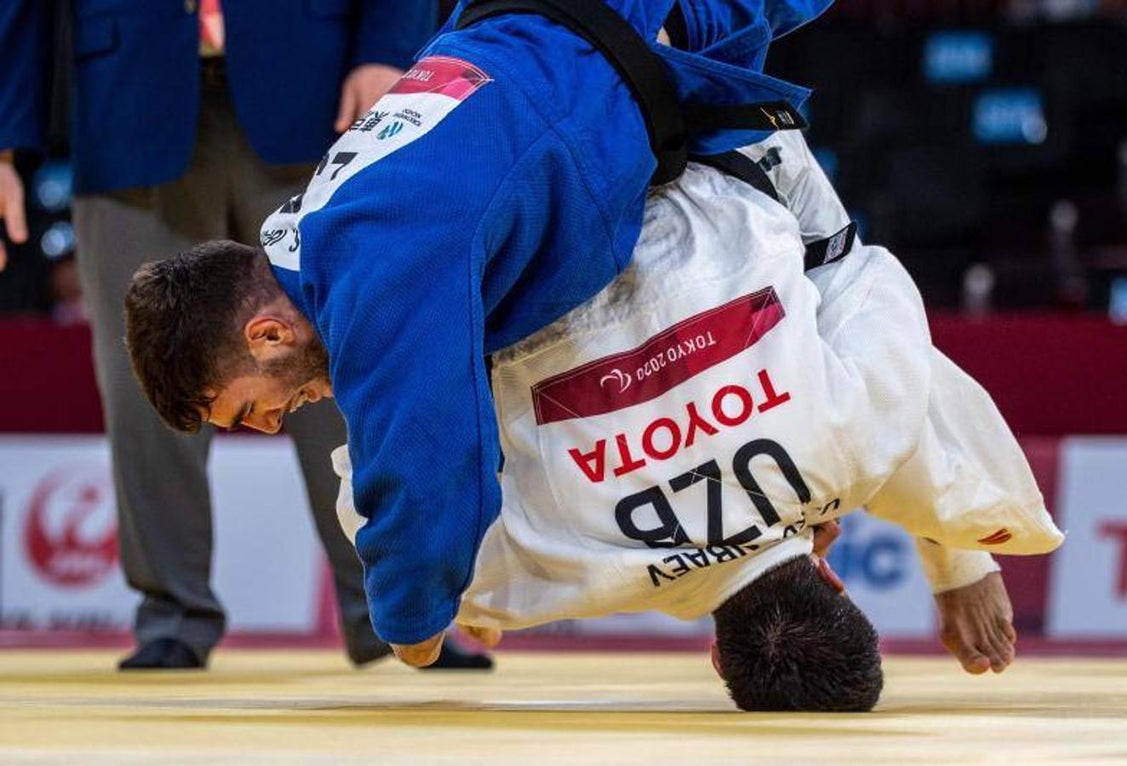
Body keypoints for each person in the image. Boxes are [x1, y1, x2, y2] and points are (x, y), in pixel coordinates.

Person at [116, 0, 840, 665]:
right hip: (582, 37)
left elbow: (424, 466)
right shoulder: (317, 233)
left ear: (268, 334)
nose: (273, 425)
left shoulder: (370, 267)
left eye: (248, 409)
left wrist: (414, 627)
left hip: (613, 34)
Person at [331, 129, 1064, 709]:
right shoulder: (548, 578)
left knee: (834, 270)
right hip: (529, 206)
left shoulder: (854, 442)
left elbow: (870, 288)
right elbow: (369, 481)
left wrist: (960, 560)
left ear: (836, 585)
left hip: (710, 137)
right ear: (720, 657)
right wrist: (447, 586)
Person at [0, 0, 490, 670]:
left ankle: (397, 611)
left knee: (342, 357)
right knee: (148, 384)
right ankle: (171, 617)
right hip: (125, 102)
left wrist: (388, 49)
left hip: (317, 91)